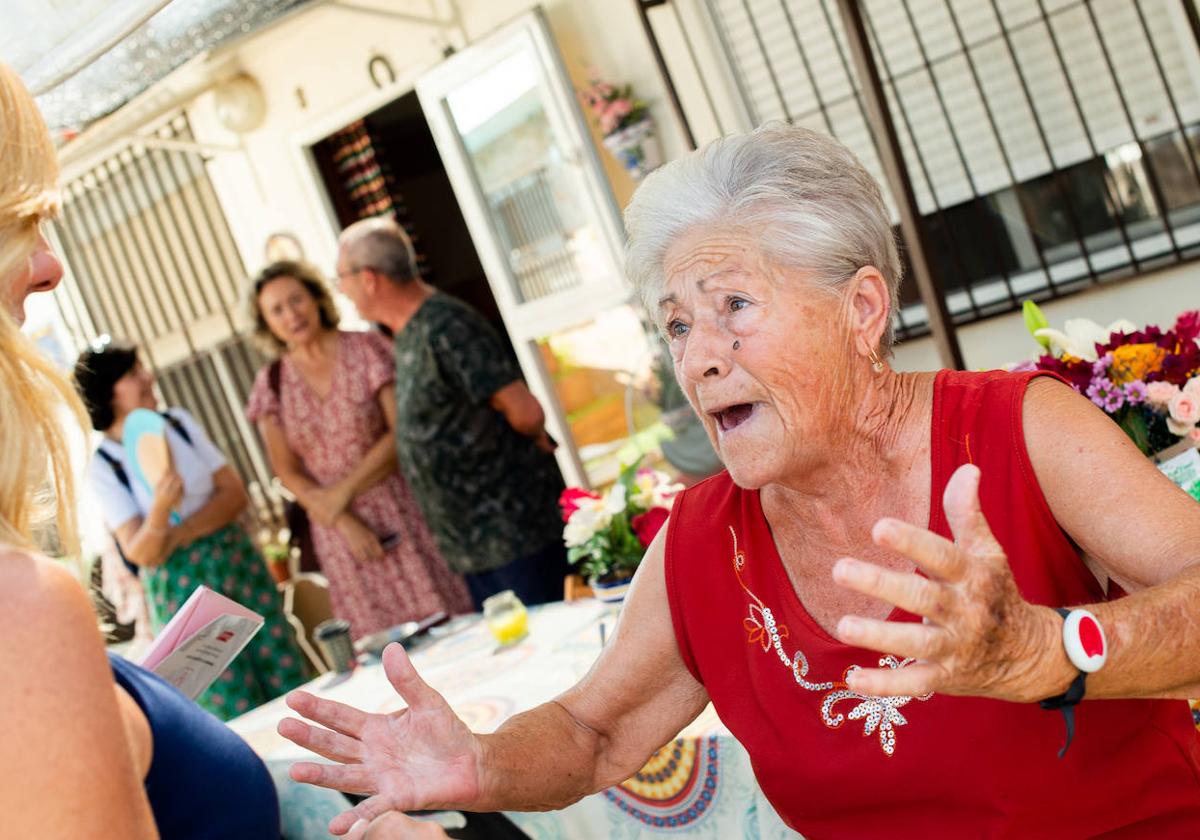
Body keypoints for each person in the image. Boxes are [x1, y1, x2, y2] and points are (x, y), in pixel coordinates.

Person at [280, 125, 1200, 837]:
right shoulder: (700, 544)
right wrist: (483, 762)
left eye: (735, 308)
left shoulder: (1017, 429)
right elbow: (595, 732)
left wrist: (1048, 650)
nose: (700, 360)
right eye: (677, 326)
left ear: (861, 309)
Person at [0, 59, 279, 838]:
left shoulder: (175, 426)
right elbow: (149, 547)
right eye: (19, 221)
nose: (51, 264)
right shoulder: (20, 608)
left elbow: (232, 493)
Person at [335, 218, 568, 608]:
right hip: (476, 547)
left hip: (514, 536)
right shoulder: (408, 332)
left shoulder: (447, 325)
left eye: (341, 277)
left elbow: (525, 412)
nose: (341, 290)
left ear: (370, 278)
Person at [74, 340, 307, 720]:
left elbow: (234, 494)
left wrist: (176, 534)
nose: (148, 378)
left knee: (283, 667)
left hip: (235, 563)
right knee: (224, 697)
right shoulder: (104, 464)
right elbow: (141, 552)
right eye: (134, 374)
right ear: (109, 391)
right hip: (181, 591)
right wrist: (163, 509)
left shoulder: (177, 423)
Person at [246, 261, 471, 637]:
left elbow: (401, 433)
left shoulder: (367, 348)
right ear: (266, 323)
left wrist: (341, 495)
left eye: (296, 300)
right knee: (382, 648)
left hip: (400, 508)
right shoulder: (271, 383)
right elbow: (285, 469)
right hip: (339, 535)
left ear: (316, 298)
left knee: (446, 623)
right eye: (277, 310)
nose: (291, 315)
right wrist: (341, 517)